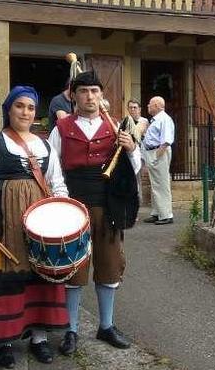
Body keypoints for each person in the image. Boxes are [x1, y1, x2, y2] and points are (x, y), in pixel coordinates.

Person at [0, 86, 70, 368]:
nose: (25, 112)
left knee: (41, 274)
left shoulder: (45, 145)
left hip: (40, 222)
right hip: (0, 219)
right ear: (8, 110)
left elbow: (57, 184)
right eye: (19, 106)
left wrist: (64, 215)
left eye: (31, 107)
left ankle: (39, 338)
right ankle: (2, 340)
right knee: (1, 279)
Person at [48, 71, 140, 355]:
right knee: (73, 267)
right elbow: (52, 169)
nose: (90, 96)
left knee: (109, 264)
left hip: (107, 205)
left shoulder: (116, 128)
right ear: (73, 96)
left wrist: (132, 148)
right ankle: (71, 330)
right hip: (73, 203)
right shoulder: (61, 128)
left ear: (102, 96)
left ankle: (106, 326)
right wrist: (62, 200)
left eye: (95, 91)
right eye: (84, 91)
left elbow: (134, 168)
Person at [142, 96, 175, 225]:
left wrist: (156, 157)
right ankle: (157, 213)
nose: (148, 106)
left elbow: (166, 141)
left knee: (161, 184)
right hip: (153, 152)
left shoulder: (164, 119)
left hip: (158, 152)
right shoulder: (156, 120)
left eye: (150, 104)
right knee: (155, 184)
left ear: (157, 105)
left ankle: (166, 215)